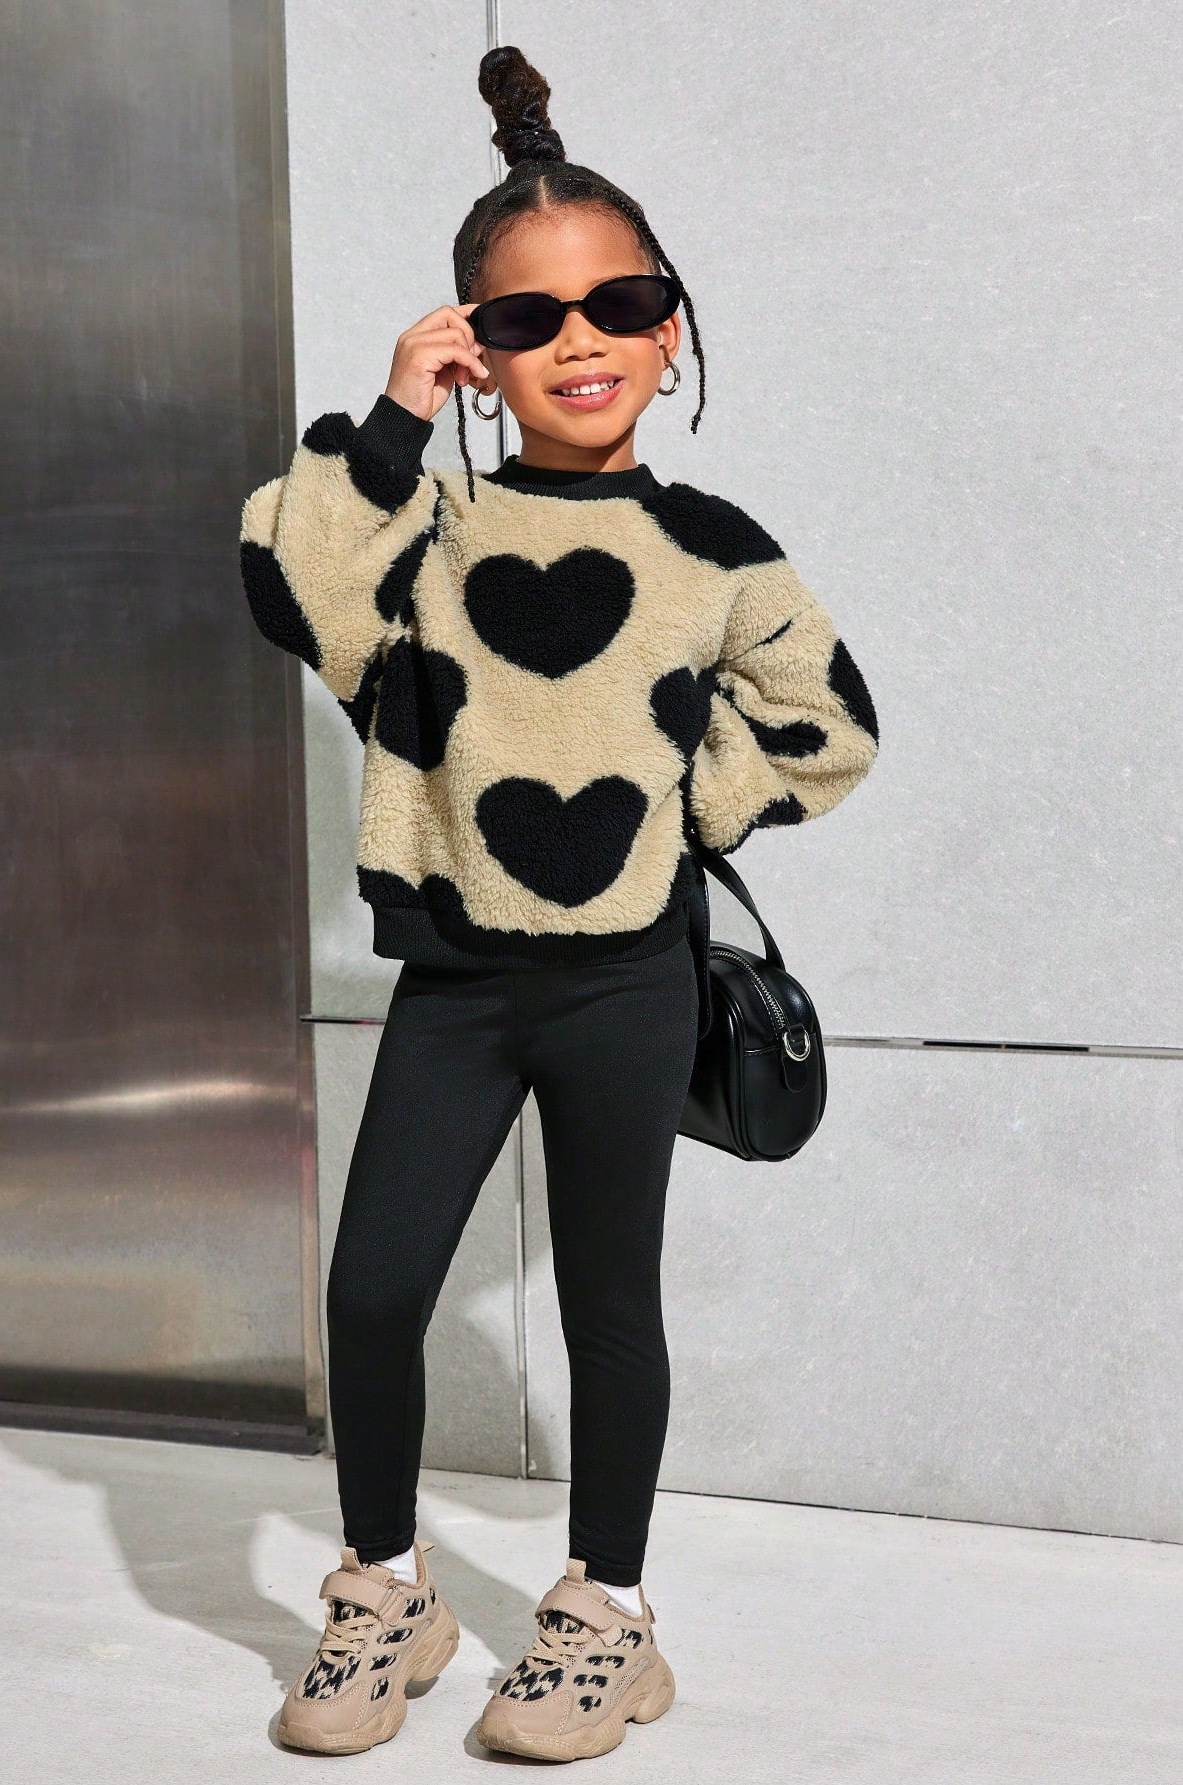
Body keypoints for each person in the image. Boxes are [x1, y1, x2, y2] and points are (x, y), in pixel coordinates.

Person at [238, 43, 879, 1764]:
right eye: (527, 318)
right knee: (374, 1291)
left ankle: (609, 1613)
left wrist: (674, 817)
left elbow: (826, 725)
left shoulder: (716, 547)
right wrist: (391, 414)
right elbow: (289, 578)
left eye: (622, 303)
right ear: (477, 348)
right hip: (457, 982)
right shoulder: (421, 526)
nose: (580, 339)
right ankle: (389, 1590)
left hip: (629, 987)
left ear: (673, 329)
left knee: (611, 1308)